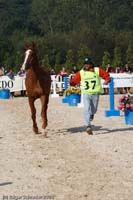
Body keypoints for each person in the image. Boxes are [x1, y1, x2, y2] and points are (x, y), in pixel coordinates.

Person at [70, 57, 110, 135]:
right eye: (85, 64)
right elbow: (74, 81)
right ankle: (88, 126)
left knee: (94, 110)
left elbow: (106, 75)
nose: (86, 65)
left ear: (91, 64)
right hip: (86, 93)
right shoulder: (81, 72)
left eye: (87, 64)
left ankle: (92, 114)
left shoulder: (97, 70)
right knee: (86, 109)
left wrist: (107, 80)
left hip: (95, 93)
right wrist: (71, 82)